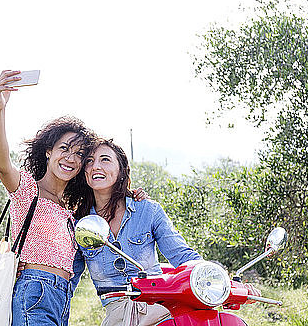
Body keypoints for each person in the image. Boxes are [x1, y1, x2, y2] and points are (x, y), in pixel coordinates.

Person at [70, 138, 259, 326]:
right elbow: (70, 276)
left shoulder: (147, 210)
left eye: (105, 159)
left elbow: (181, 254)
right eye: (89, 161)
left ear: (121, 170)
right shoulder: (80, 223)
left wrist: (219, 282)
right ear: (84, 173)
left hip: (159, 310)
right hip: (117, 316)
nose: (95, 166)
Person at [0, 70, 97, 326]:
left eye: (79, 154)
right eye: (64, 149)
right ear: (48, 152)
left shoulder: (72, 207)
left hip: (61, 297)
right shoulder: (29, 190)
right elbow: (3, 164)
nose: (71, 158)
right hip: (33, 291)